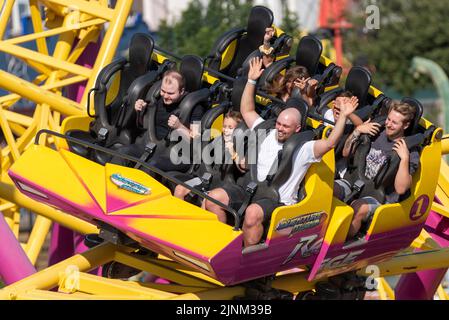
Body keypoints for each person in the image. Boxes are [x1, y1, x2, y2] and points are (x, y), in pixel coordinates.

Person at [204, 57, 359, 248]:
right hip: (250, 189)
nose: (280, 128)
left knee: (252, 213)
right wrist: (252, 80)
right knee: (213, 198)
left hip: (278, 201)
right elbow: (247, 110)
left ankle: (248, 259)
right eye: (279, 123)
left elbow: (329, 143)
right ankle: (222, 246)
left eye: (286, 126)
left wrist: (343, 116)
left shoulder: (304, 148)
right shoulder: (266, 130)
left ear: (297, 129)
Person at [334, 101, 420, 239]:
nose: (388, 124)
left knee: (358, 208)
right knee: (330, 189)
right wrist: (358, 131)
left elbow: (401, 189)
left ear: (406, 125)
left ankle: (338, 243)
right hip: (356, 182)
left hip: (378, 196)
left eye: (394, 123)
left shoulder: (410, 151)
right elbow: (345, 153)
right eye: (388, 119)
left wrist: (404, 159)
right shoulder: (376, 131)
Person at [112, 70, 204, 172]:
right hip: (152, 146)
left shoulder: (195, 108)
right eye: (163, 91)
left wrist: (179, 127)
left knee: (152, 165)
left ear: (182, 91)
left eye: (170, 93)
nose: (165, 96)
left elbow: (196, 139)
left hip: (176, 155)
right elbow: (144, 126)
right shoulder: (159, 99)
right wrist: (142, 111)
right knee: (122, 152)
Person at [173, 110, 245, 202]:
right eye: (224, 126)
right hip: (209, 178)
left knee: (207, 201)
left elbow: (243, 168)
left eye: (230, 128)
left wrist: (233, 152)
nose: (226, 130)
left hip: (225, 186)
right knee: (179, 189)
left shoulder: (242, 145)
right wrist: (196, 140)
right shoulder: (219, 139)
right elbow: (204, 150)